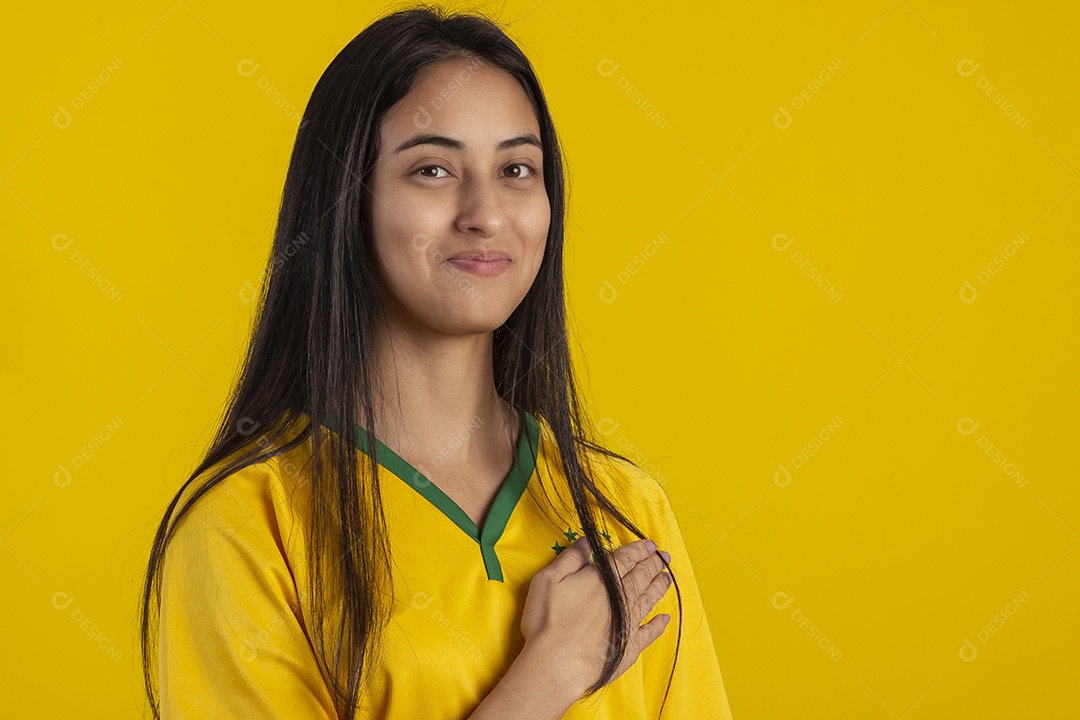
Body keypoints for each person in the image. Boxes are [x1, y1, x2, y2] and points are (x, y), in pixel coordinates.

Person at [139, 4, 734, 719]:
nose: (485, 212)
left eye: (517, 169)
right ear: (346, 202)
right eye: (432, 169)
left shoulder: (625, 506)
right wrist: (550, 675)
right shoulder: (246, 521)